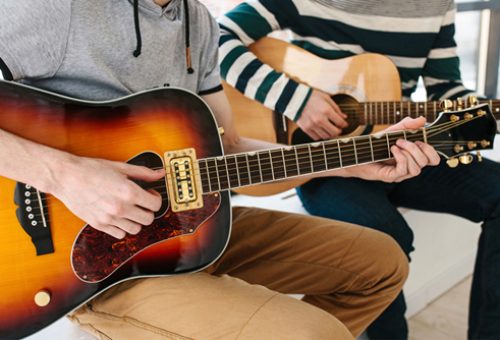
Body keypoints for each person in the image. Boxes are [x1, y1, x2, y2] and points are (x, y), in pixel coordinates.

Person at [0, 0, 441, 339]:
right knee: (313, 333)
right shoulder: (56, 10)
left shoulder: (198, 21)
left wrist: (350, 162)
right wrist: (64, 175)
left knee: (382, 263)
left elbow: (227, 146)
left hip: (197, 230)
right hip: (97, 264)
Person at [218, 0, 500, 339]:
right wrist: (297, 99)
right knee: (385, 238)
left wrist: (487, 113)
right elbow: (216, 39)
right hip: (322, 160)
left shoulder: (437, 4)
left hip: (403, 150)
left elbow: (447, 91)